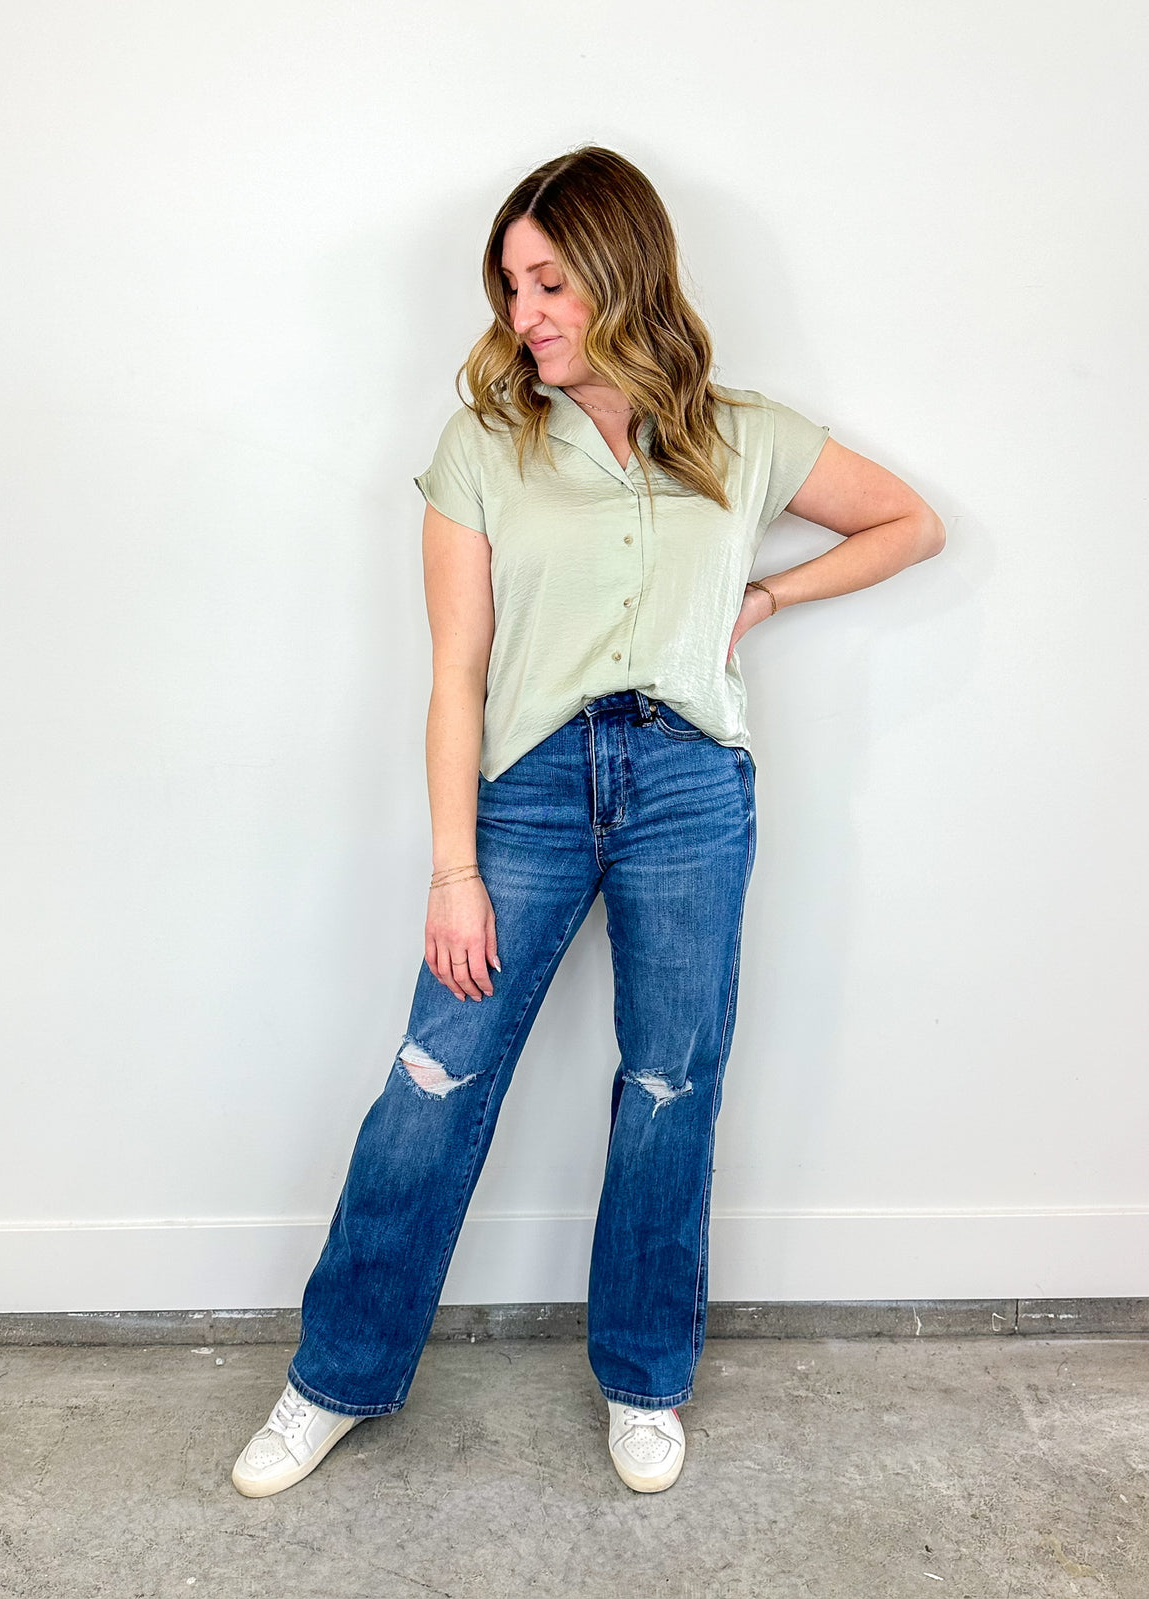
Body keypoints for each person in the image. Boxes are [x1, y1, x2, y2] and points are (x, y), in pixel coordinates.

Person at [231, 145, 945, 1499]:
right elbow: (452, 674)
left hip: (689, 786)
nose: (526, 314)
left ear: (622, 273)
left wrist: (771, 600)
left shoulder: (740, 434)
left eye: (550, 282)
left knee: (670, 1085)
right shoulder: (484, 447)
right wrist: (455, 868)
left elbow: (912, 524)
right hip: (534, 788)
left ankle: (642, 1374)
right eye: (511, 287)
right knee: (434, 1085)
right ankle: (335, 1376)